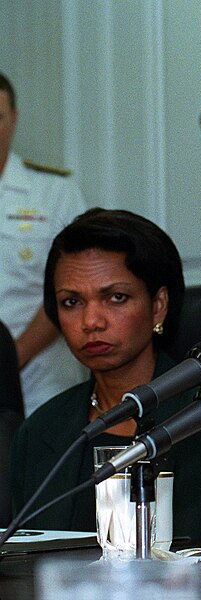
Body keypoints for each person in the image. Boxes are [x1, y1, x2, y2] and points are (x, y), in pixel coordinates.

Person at [11, 208, 201, 545]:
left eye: (115, 297)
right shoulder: (42, 429)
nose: (91, 321)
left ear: (158, 306)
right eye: (71, 301)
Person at [0, 71, 86, 416]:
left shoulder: (55, 193)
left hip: (42, 384)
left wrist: (13, 357)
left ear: (14, 119)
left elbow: (75, 287)